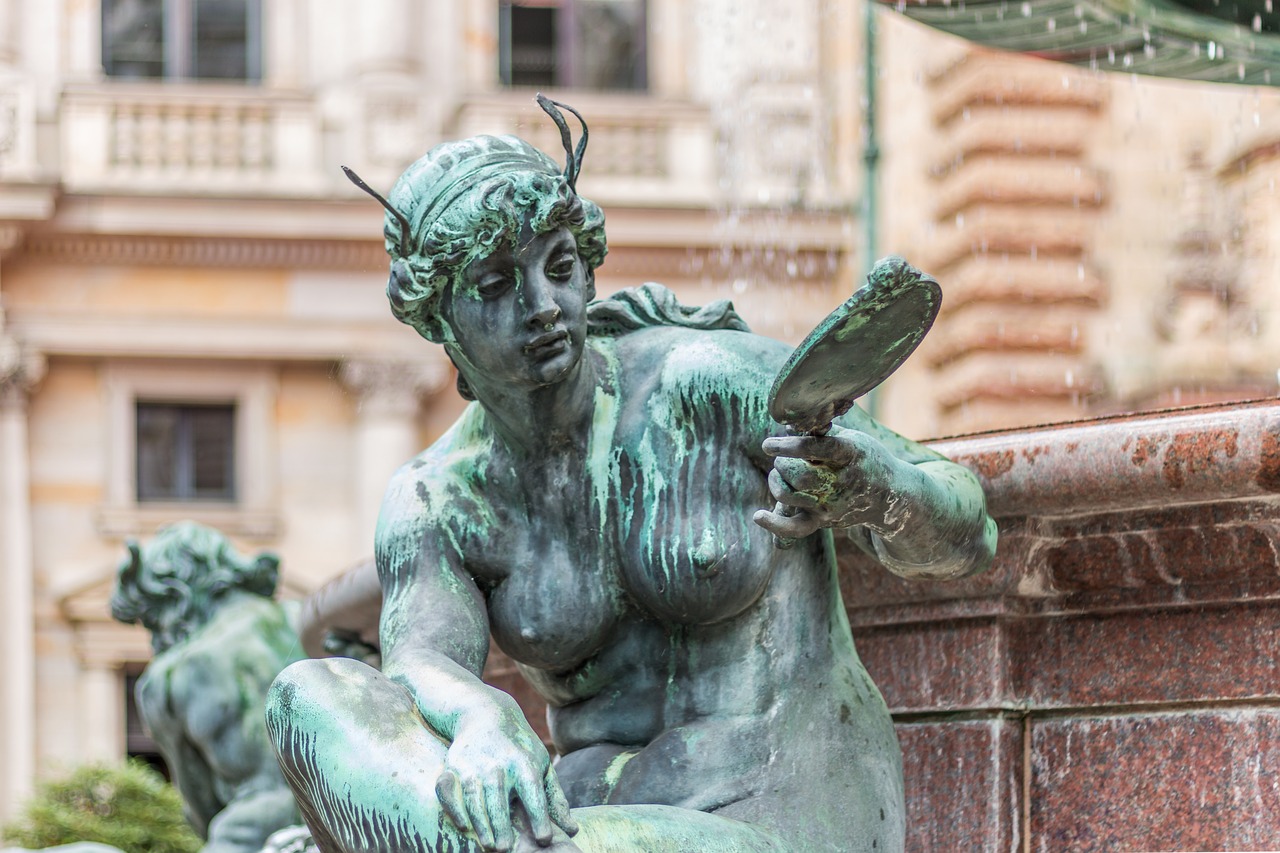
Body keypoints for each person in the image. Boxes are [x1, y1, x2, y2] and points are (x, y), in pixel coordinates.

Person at [265, 97, 997, 853]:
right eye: (493, 287)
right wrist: (481, 716)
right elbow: (419, 658)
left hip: (773, 813)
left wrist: (867, 487)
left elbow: (969, 529)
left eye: (560, 267)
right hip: (577, 828)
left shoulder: (708, 383)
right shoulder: (440, 498)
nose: (543, 306)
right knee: (306, 696)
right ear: (435, 321)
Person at [111, 522, 305, 853]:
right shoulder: (300, 618)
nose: (155, 637)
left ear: (175, 597)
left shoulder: (181, 670)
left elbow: (203, 810)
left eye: (151, 620)